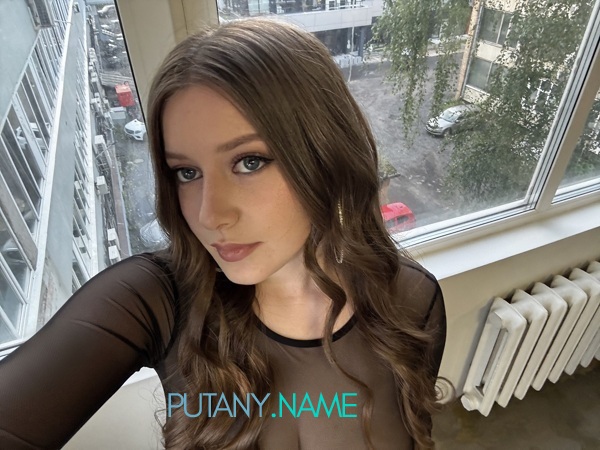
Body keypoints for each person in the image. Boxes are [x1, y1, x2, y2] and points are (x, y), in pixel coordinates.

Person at [0, 18, 446, 450]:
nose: (209, 215)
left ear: (326, 153)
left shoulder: (411, 300)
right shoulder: (156, 300)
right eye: (186, 172)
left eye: (249, 162)